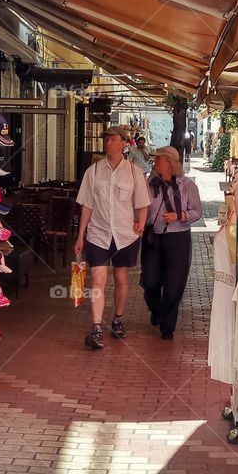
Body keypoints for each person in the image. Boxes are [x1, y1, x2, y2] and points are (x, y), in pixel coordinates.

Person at [75, 125, 150, 350]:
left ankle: (117, 318)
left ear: (124, 143)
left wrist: (141, 224)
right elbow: (87, 205)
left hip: (125, 236)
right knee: (98, 280)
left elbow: (142, 202)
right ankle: (96, 327)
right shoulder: (94, 171)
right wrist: (80, 235)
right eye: (106, 139)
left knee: (121, 279)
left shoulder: (134, 172)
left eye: (113, 139)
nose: (108, 143)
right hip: (97, 234)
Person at [141, 145, 203, 340]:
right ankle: (156, 308)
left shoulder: (187, 186)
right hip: (154, 237)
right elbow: (141, 210)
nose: (155, 162)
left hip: (178, 238)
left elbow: (197, 212)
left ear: (169, 163)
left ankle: (167, 325)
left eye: (158, 159)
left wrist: (179, 215)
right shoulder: (149, 185)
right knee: (150, 281)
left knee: (174, 284)